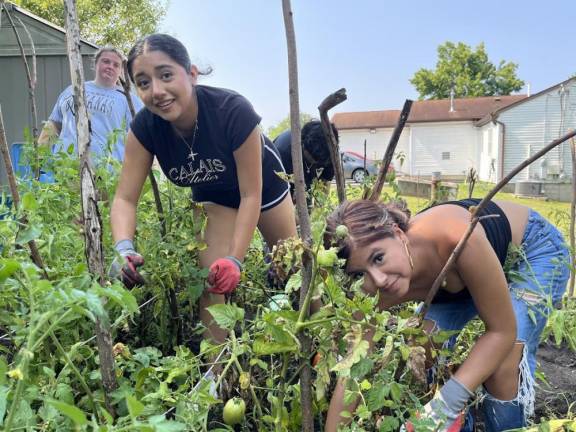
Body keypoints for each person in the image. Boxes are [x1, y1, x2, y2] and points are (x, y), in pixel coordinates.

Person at [110, 33, 296, 343]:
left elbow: (251, 194)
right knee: (211, 279)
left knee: (293, 266)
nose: (157, 91)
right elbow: (125, 199)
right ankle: (216, 371)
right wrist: (123, 248)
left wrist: (236, 259)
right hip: (213, 196)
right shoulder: (145, 128)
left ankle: (322, 341)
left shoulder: (232, 110)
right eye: (143, 82)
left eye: (166, 75)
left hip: (263, 189)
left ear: (191, 74)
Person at [323, 198, 570, 432]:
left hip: (531, 251)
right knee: (422, 348)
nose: (379, 280)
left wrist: (447, 403)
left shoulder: (456, 237)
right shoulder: (370, 291)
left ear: (398, 234)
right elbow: (353, 369)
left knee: (503, 365)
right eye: (359, 273)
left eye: (378, 257)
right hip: (460, 284)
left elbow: (502, 332)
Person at [38, 46, 143, 162]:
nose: (110, 67)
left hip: (106, 175)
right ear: (96, 63)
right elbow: (54, 124)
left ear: (121, 71)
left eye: (116, 65)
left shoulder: (129, 100)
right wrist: (40, 156)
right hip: (65, 170)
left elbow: (143, 138)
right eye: (106, 61)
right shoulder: (73, 90)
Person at [273, 120, 338, 197]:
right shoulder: (282, 152)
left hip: (306, 187)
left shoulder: (329, 152)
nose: (314, 163)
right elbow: (276, 193)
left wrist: (319, 207)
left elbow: (325, 182)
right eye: (311, 159)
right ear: (302, 144)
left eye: (317, 162)